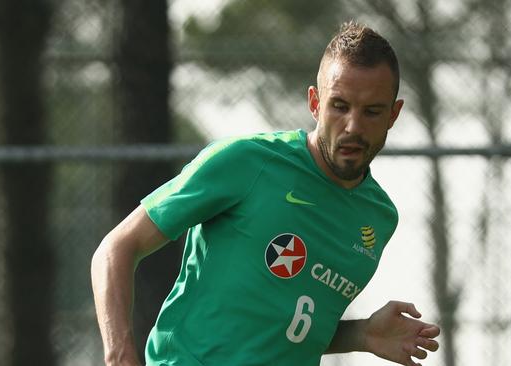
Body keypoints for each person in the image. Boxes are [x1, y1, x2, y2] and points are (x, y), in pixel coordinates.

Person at [92, 21, 440, 366]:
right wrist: (121, 357)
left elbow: (289, 330)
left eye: (372, 111)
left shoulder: (379, 217)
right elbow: (116, 249)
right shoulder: (247, 162)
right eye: (340, 106)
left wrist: (363, 335)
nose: (353, 126)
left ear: (393, 115)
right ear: (315, 103)